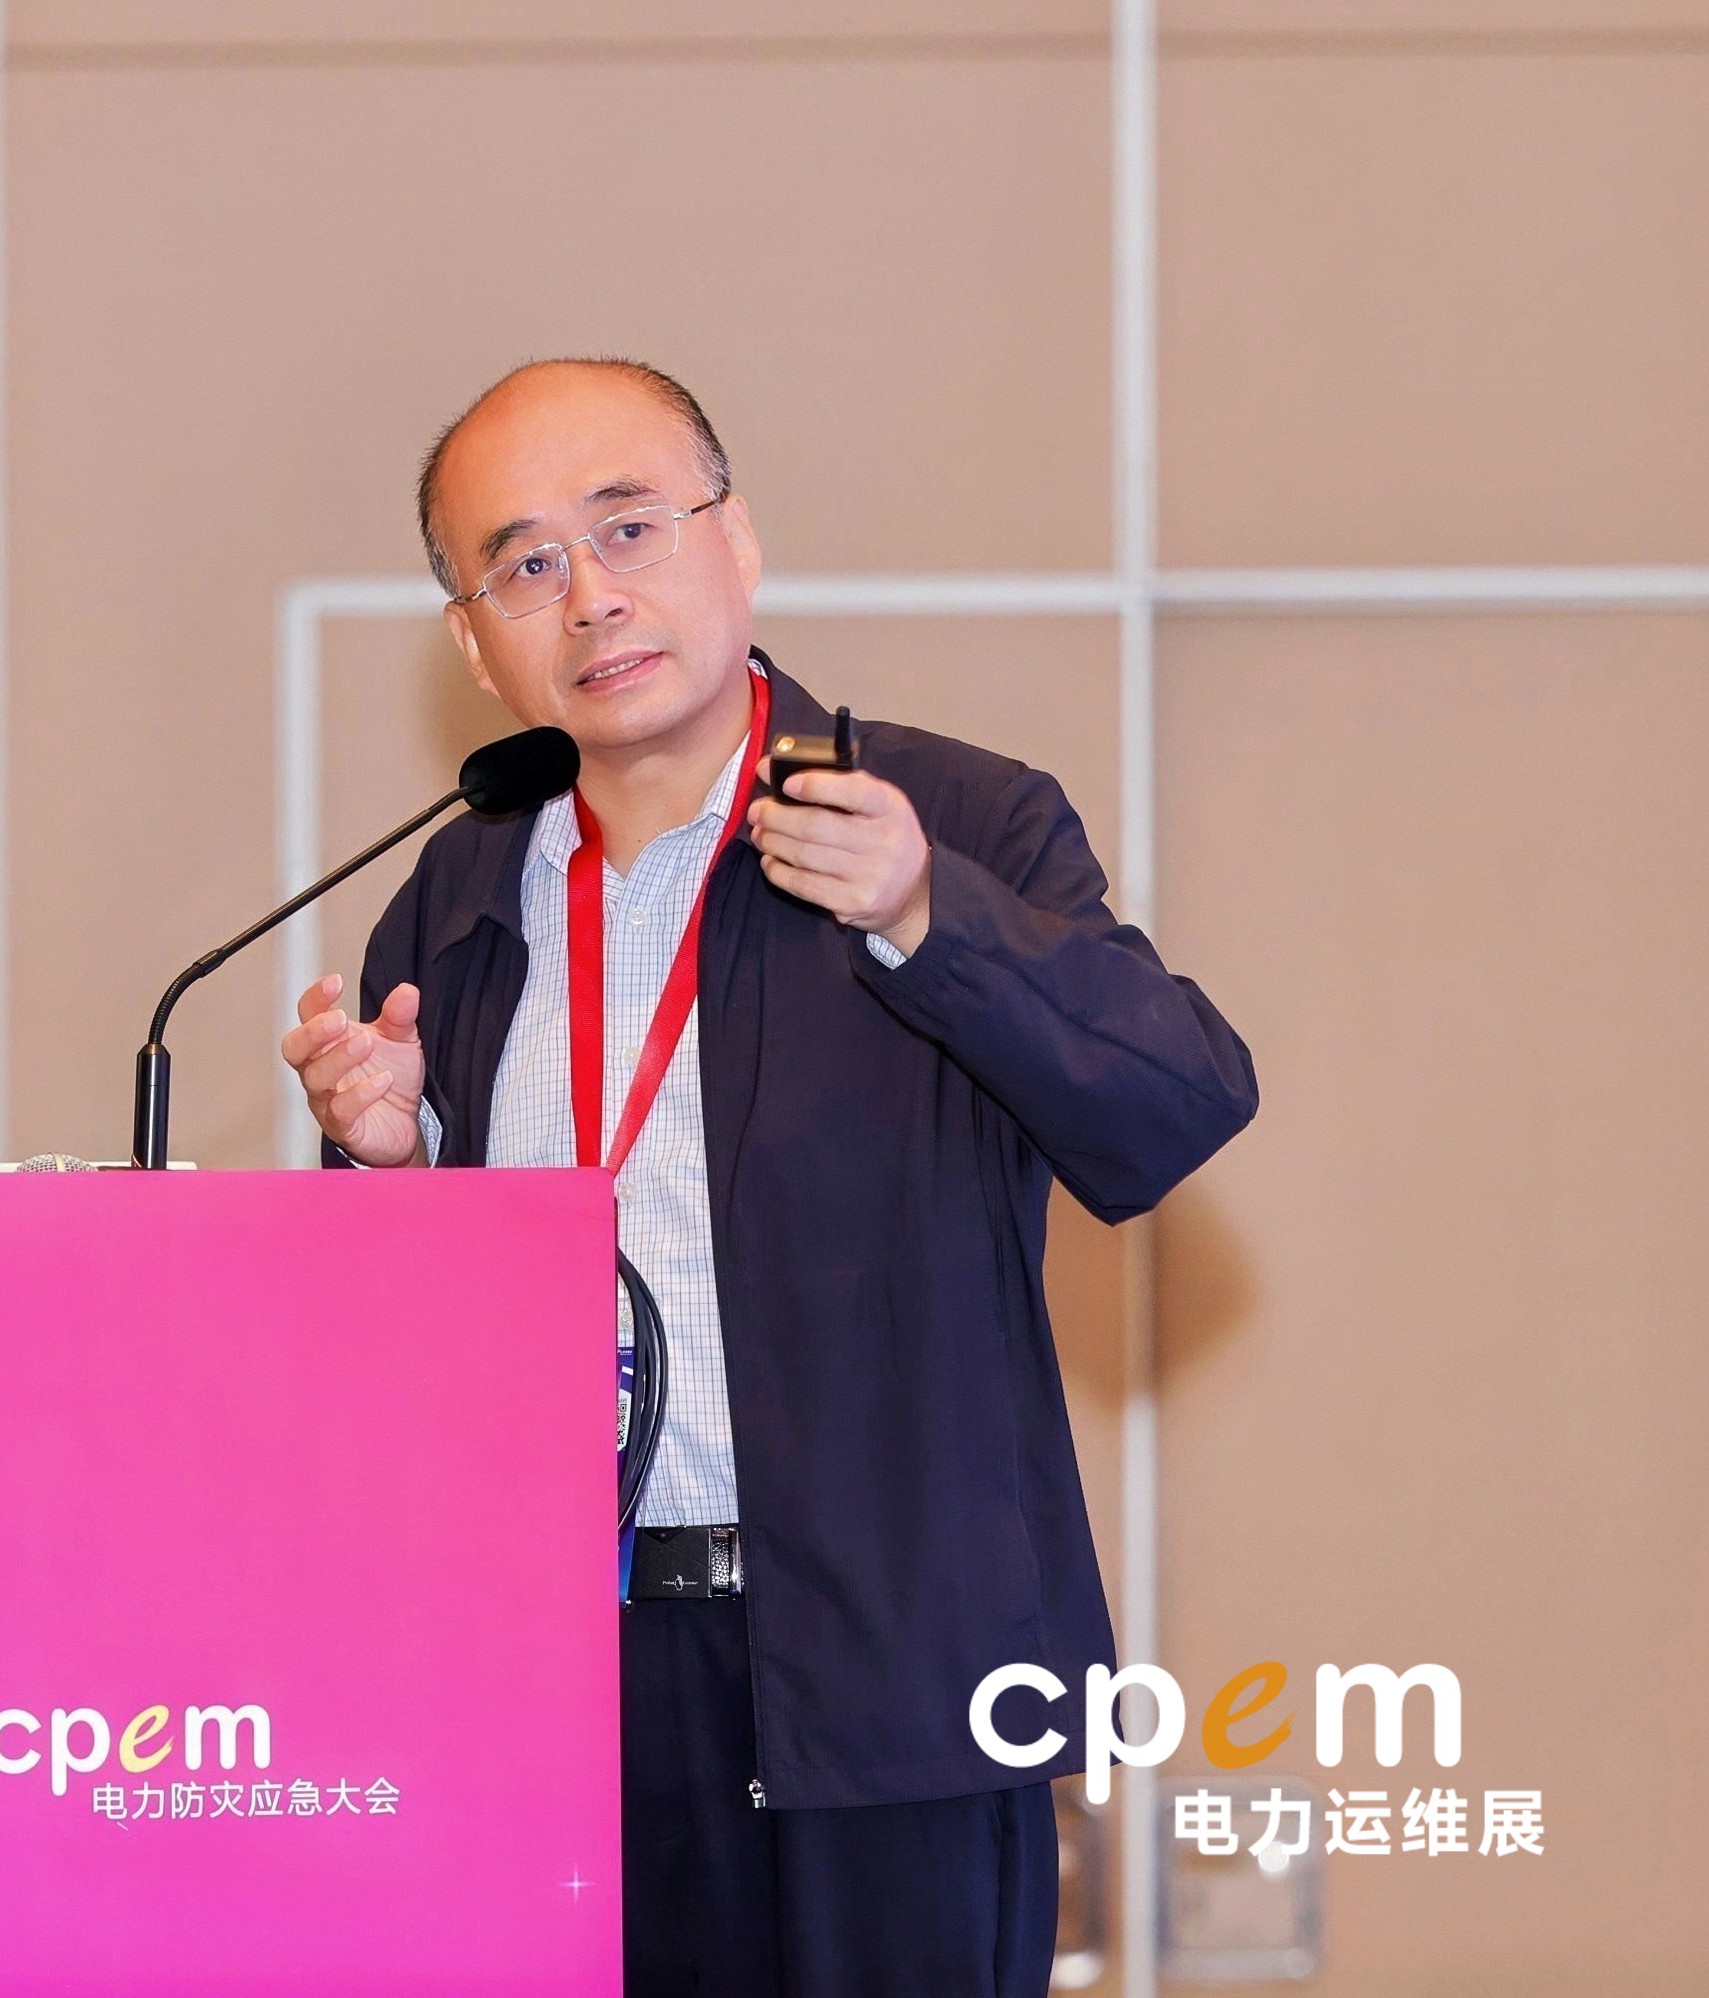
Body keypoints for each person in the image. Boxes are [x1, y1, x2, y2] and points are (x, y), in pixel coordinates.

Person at [283, 359, 1258, 1995]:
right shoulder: (451, 895)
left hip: (891, 1674)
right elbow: (396, 1360)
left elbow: (1174, 1105)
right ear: (473, 641)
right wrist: (395, 1163)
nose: (591, 596)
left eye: (631, 528)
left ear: (737, 541)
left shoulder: (946, 817)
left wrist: (930, 916)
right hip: (560, 1676)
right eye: (526, 564)